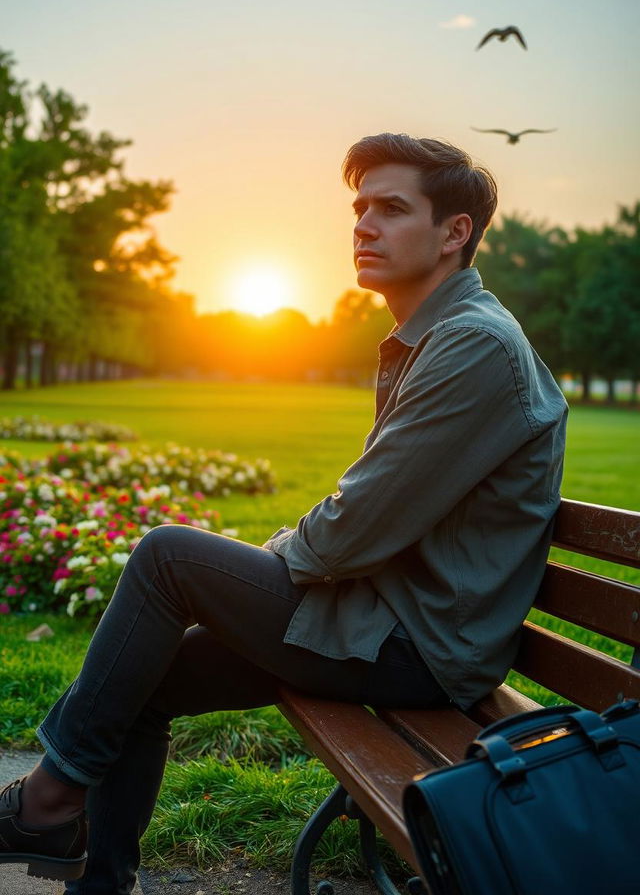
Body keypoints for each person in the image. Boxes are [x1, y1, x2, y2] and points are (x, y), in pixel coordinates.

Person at [0, 133, 567, 893]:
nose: (364, 224)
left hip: (418, 647)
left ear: (454, 232)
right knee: (147, 673)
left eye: (392, 208)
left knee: (169, 556)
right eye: (360, 207)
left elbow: (353, 528)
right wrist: (278, 566)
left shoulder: (473, 345)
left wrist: (268, 566)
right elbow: (366, 520)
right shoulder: (438, 336)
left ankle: (48, 801)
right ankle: (93, 875)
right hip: (386, 620)